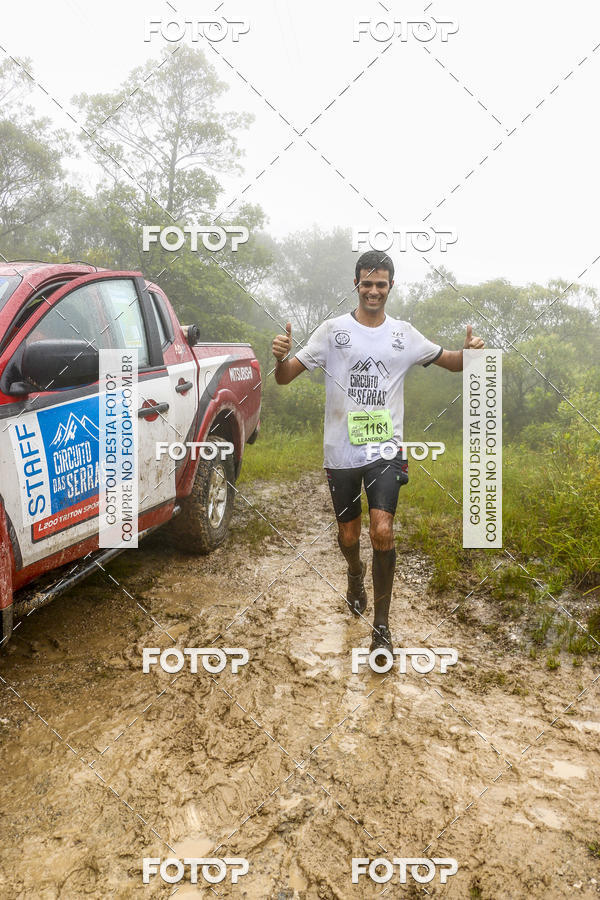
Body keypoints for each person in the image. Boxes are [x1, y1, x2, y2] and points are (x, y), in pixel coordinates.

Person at [272, 250, 485, 660]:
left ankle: (382, 627)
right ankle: (355, 574)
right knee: (349, 536)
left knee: (382, 531)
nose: (373, 291)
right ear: (357, 285)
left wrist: (471, 353)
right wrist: (279, 356)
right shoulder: (332, 331)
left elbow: (453, 363)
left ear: (390, 287)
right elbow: (283, 377)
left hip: (385, 449)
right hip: (340, 452)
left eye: (381, 284)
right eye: (366, 284)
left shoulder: (404, 334)